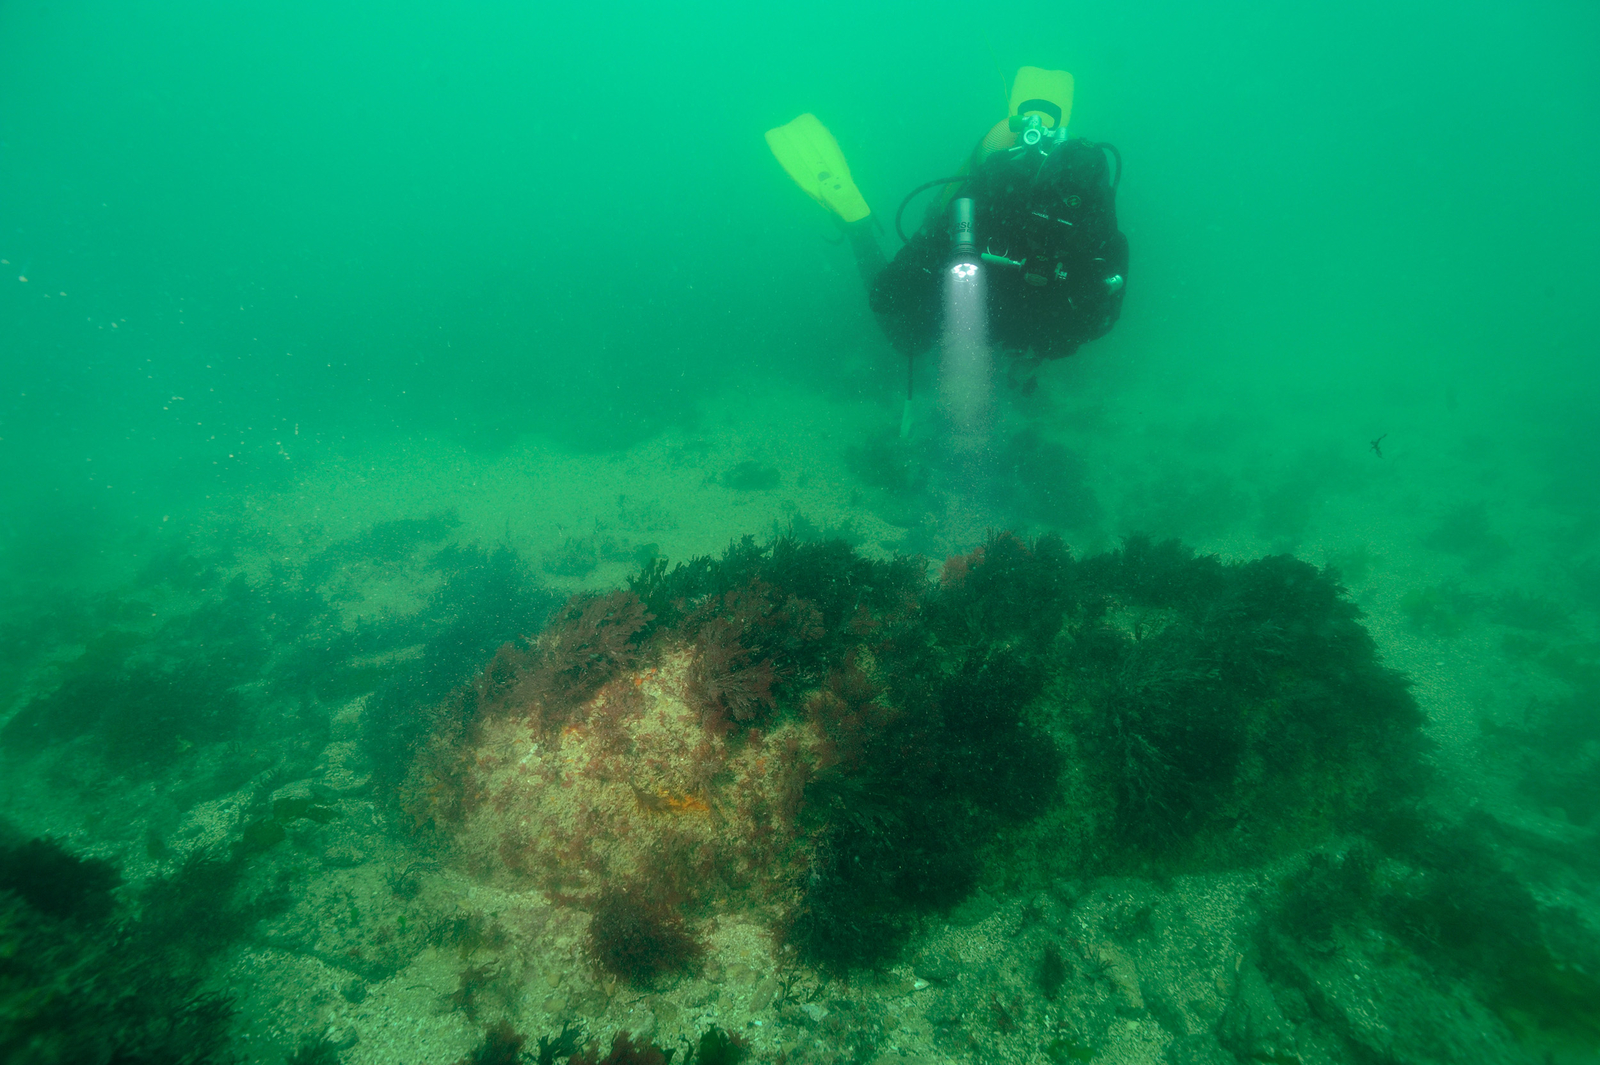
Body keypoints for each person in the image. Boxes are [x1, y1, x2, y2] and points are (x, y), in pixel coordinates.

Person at [767, 67, 1128, 394]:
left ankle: (859, 225)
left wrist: (1045, 347)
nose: (1048, 229)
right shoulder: (997, 196)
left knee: (909, 333)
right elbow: (887, 293)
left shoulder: (1089, 221)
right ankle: (858, 225)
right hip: (973, 266)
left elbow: (1102, 313)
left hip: (1002, 293)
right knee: (905, 337)